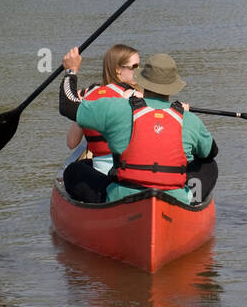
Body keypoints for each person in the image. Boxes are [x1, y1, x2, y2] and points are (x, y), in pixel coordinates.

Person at [59, 48, 217, 205]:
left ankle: (106, 203)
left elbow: (68, 106)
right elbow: (211, 152)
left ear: (143, 80)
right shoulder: (187, 118)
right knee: (208, 164)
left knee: (73, 171)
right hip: (173, 198)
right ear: (173, 86)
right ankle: (191, 202)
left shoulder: (118, 107)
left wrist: (71, 71)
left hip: (123, 196)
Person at [61, 44, 142, 203]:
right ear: (118, 69)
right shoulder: (136, 96)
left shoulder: (87, 96)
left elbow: (71, 143)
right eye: (134, 67)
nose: (139, 71)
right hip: (129, 170)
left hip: (101, 169)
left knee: (74, 170)